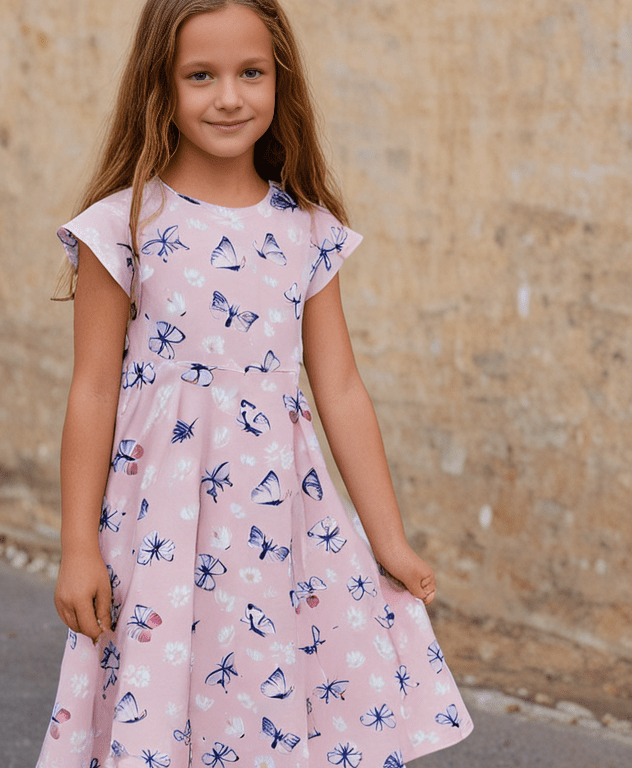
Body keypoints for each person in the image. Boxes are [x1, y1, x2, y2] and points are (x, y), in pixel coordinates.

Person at [38, 1, 473, 766]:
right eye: (200, 76)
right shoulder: (122, 227)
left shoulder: (304, 228)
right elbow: (94, 390)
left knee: (266, 700)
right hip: (160, 531)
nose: (229, 97)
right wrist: (78, 548)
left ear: (280, 81)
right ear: (160, 86)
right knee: (164, 705)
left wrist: (389, 540)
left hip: (281, 531)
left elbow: (340, 388)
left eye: (251, 73)